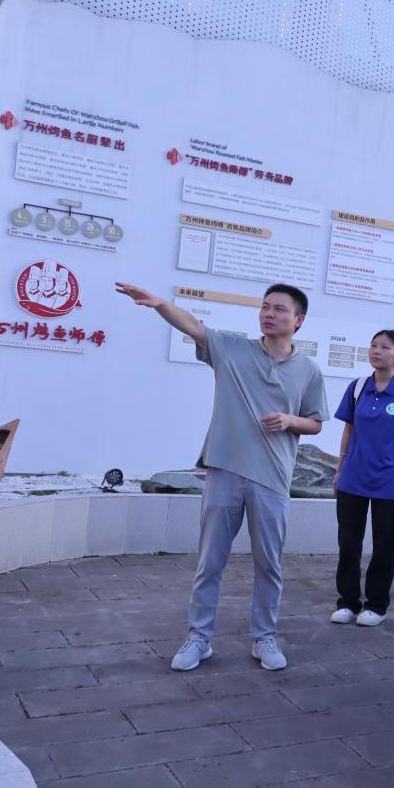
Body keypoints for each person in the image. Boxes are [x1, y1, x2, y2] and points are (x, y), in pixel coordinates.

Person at [114, 281, 327, 672]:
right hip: (225, 469)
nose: (269, 314)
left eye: (279, 309)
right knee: (210, 561)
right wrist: (160, 303)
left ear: (299, 320)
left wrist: (290, 420)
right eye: (265, 306)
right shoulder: (233, 349)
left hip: (272, 478)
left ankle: (264, 637)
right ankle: (199, 637)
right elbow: (194, 327)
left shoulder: (308, 371)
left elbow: (315, 423)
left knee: (269, 564)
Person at [331, 330, 394, 627]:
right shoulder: (357, 388)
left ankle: (376, 605)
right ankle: (347, 602)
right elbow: (348, 430)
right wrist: (339, 470)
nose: (376, 351)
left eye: (384, 347)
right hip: (353, 477)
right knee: (348, 543)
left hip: (388, 479)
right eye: (373, 345)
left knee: (385, 545)